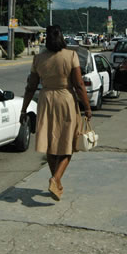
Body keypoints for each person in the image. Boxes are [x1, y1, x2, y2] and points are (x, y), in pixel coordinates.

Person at [21, 25, 92, 202]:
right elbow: (79, 85)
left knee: (51, 144)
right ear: (61, 38)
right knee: (69, 143)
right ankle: (56, 178)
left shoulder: (38, 59)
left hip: (45, 100)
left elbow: (30, 86)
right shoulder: (71, 55)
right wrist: (87, 107)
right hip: (65, 99)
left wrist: (24, 108)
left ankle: (56, 183)